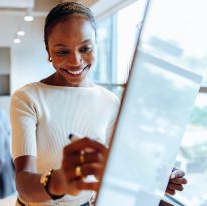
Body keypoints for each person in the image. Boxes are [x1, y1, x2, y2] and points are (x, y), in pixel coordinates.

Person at [10, 2, 187, 205]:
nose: (76, 61)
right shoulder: (27, 98)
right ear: (48, 51)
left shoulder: (109, 101)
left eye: (85, 48)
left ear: (96, 46)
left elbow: (116, 165)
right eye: (62, 52)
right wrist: (59, 181)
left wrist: (151, 177)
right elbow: (24, 185)